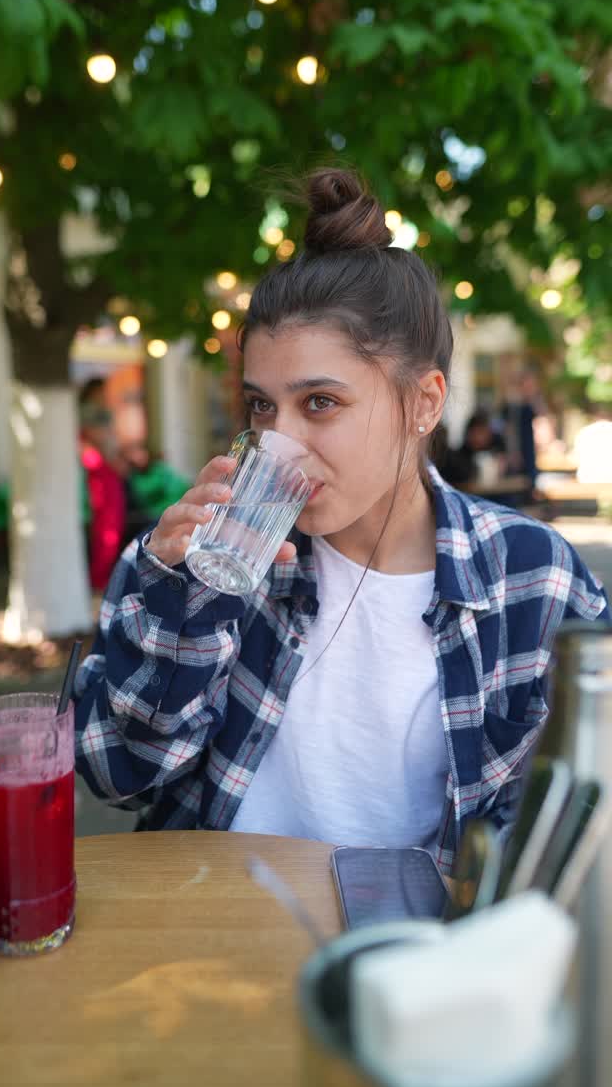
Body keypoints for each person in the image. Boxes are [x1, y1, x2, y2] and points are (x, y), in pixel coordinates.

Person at [73, 169, 609, 873]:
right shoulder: (192, 561)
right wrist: (182, 612)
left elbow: (571, 823)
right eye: (262, 406)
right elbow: (117, 777)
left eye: (320, 402)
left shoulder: (532, 579)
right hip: (209, 928)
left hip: (411, 958)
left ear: (424, 402)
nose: (277, 440)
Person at [78, 378, 127, 592]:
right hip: (104, 471)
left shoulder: (98, 412)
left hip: (108, 469)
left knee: (110, 525)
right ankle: (100, 577)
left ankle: (103, 575)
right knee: (107, 526)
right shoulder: (89, 414)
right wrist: (114, 460)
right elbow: (99, 440)